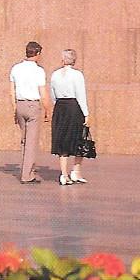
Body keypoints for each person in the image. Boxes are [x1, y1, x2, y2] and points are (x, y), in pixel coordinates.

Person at [9, 41, 51, 184]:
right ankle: (27, 175)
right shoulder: (39, 71)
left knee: (25, 140)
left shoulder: (15, 68)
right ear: (38, 54)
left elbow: (12, 91)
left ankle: (27, 170)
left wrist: (15, 107)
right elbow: (43, 93)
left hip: (20, 104)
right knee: (31, 142)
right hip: (33, 106)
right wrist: (47, 109)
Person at [50, 49, 90, 185]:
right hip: (74, 107)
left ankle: (64, 174)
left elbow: (53, 94)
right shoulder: (77, 75)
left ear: (63, 60)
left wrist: (58, 106)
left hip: (60, 107)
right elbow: (81, 95)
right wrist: (86, 113)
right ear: (74, 60)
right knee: (79, 138)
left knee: (62, 140)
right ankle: (76, 171)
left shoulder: (55, 75)